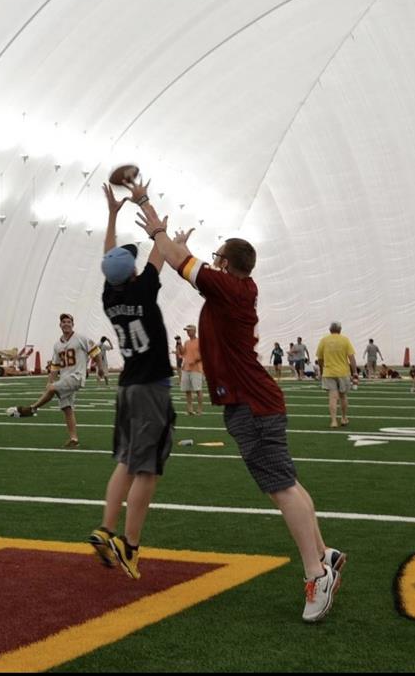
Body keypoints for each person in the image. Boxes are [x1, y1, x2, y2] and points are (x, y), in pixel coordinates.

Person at [135, 203, 344, 623]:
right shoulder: (234, 289)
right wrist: (177, 247)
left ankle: (316, 572)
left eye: (217, 258)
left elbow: (178, 262)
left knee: (281, 488)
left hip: (252, 404)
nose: (212, 263)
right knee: (286, 484)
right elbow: (183, 262)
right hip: (255, 401)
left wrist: (153, 221)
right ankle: (325, 554)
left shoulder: (228, 288)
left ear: (227, 265)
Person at [88, 179, 175, 581]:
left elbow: (111, 258)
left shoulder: (111, 296)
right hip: (150, 387)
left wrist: (111, 216)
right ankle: (130, 543)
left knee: (126, 461)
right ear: (133, 272)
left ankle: (106, 529)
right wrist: (149, 209)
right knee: (147, 469)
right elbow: (160, 249)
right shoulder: (143, 290)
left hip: (126, 388)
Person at [6, 314, 104, 448]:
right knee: (67, 408)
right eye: (64, 322)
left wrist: (100, 369)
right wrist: (50, 380)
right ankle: (74, 439)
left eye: (69, 322)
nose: (66, 324)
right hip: (65, 378)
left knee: (52, 389)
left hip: (76, 377)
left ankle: (33, 408)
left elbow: (95, 352)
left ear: (73, 324)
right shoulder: (57, 345)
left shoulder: (81, 338)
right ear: (60, 325)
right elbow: (55, 366)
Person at [316, 322, 358, 428]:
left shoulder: (324, 340)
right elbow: (351, 358)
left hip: (329, 372)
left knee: (333, 397)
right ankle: (343, 418)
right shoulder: (345, 340)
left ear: (330, 330)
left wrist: (321, 370)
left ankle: (334, 421)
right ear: (340, 330)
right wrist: (355, 372)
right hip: (343, 372)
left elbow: (319, 358)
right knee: (343, 396)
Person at [177, 324, 204, 415]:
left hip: (196, 369)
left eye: (189, 330)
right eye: (187, 331)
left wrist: (195, 361)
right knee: (187, 390)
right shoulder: (186, 342)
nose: (187, 332)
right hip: (186, 368)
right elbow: (182, 353)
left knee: (198, 390)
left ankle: (199, 409)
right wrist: (179, 343)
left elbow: (204, 354)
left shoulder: (200, 341)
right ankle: (190, 409)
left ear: (194, 331)